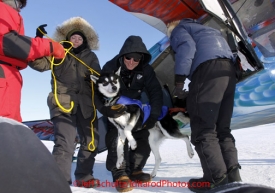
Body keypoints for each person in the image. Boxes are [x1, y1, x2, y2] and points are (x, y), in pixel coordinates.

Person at [167, 18, 242, 192]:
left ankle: (215, 178)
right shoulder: (209, 31)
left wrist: (179, 83)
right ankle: (232, 174)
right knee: (222, 128)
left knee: (203, 128)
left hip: (207, 71)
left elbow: (187, 48)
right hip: (228, 73)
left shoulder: (179, 29)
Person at [28, 17, 101, 188]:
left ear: (84, 42)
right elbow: (37, 64)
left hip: (86, 105)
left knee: (91, 141)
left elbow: (100, 80)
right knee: (65, 142)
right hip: (62, 104)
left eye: (79, 38)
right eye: (73, 38)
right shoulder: (58, 52)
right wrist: (39, 41)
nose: (76, 40)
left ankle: (84, 176)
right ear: (67, 40)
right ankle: (59, 181)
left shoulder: (91, 57)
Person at [97, 35, 163, 192]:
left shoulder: (146, 70)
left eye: (136, 59)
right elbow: (98, 92)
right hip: (115, 107)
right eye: (128, 58)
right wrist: (104, 109)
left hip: (134, 107)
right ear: (123, 55)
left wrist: (153, 115)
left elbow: (156, 92)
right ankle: (120, 173)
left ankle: (135, 169)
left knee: (143, 133)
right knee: (118, 133)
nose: (132, 62)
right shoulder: (110, 67)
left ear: (141, 59)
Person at [0, 0, 65, 123]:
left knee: (10, 126)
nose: (19, 10)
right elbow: (6, 42)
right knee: (6, 127)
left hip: (10, 76)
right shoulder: (2, 8)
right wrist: (49, 46)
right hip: (4, 74)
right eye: (19, 4)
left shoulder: (89, 58)